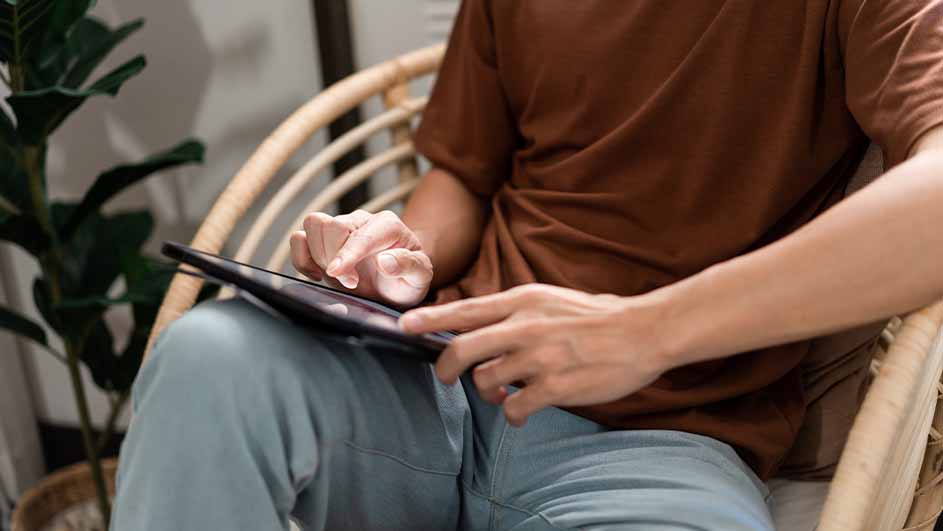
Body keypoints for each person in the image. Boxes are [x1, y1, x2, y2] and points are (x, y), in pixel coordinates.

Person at [111, 1, 943, 529]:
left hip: (666, 445)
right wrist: (397, 249)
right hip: (442, 381)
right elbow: (463, 175)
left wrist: (644, 332)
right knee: (208, 357)